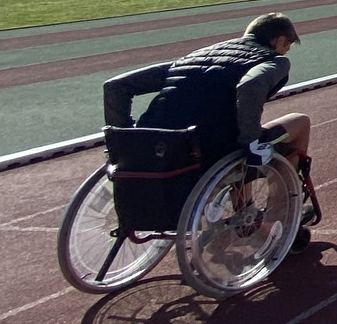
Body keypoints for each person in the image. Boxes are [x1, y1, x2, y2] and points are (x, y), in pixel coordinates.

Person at [101, 12, 320, 242]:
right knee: (298, 122)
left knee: (239, 128)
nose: (285, 52)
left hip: (157, 147)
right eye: (286, 47)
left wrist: (124, 139)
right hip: (206, 152)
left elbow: (116, 86)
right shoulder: (273, 60)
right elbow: (251, 86)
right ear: (279, 41)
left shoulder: (194, 57)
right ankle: (280, 216)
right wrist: (252, 142)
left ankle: (246, 208)